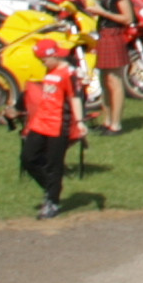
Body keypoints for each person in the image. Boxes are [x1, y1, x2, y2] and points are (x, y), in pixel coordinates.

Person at [17, 39, 83, 221]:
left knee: (54, 165)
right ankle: (51, 188)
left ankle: (52, 200)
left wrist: (80, 121)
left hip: (58, 124)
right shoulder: (50, 69)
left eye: (43, 60)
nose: (42, 63)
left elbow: (75, 97)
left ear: (53, 56)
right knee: (27, 158)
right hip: (41, 121)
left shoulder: (68, 73)